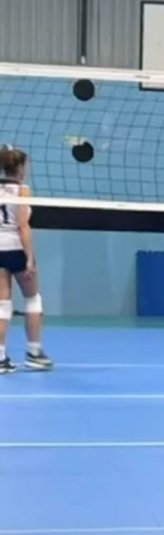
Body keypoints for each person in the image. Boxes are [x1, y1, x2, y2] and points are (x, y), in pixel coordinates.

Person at [0, 145, 52, 373]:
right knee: (32, 299)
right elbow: (22, 226)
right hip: (16, 249)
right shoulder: (22, 191)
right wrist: (30, 258)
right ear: (21, 167)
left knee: (2, 305)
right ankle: (34, 353)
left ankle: (0, 358)